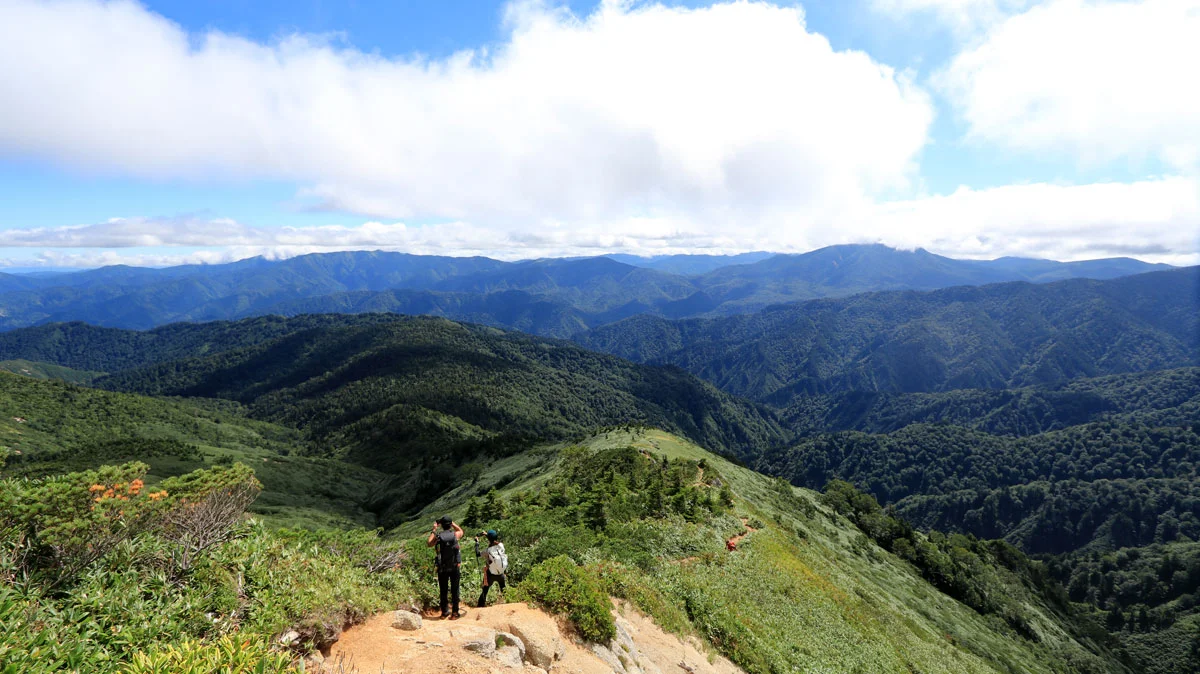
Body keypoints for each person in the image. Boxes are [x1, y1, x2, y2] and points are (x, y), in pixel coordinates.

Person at [426, 514, 464, 619]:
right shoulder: (455, 535)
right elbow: (461, 531)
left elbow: (429, 543)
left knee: (443, 590)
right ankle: (455, 613)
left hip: (442, 568)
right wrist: (453, 524)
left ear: (441, 525)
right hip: (454, 566)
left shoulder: (438, 537)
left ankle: (444, 612)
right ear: (450, 525)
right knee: (455, 590)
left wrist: (434, 529)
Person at [475, 529, 508, 608]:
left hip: (491, 574)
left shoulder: (487, 551)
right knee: (504, 590)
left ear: (489, 539)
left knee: (485, 589)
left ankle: (480, 606)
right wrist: (487, 535)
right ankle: (508, 602)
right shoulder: (501, 545)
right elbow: (494, 541)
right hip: (501, 573)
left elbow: (477, 554)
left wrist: (477, 543)